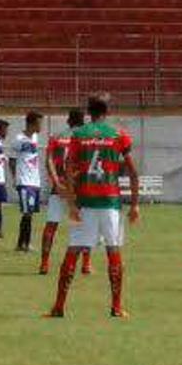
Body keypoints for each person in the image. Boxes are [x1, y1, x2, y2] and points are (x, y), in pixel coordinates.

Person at [50, 93, 140, 319]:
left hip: (85, 203)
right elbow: (133, 172)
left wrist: (71, 202)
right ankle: (116, 307)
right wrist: (135, 205)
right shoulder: (119, 134)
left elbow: (69, 171)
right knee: (113, 250)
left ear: (89, 112)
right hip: (110, 203)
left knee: (73, 249)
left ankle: (59, 306)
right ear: (107, 112)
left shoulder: (79, 135)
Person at [39, 108, 90, 276]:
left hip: (59, 187)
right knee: (83, 225)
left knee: (51, 224)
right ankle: (85, 264)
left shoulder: (57, 136)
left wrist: (57, 182)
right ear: (83, 121)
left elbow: (49, 161)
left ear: (69, 120)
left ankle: (44, 264)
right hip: (79, 188)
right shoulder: (87, 138)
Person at [12, 111, 44, 253]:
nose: (41, 126)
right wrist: (15, 178)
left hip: (34, 181)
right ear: (31, 124)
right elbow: (12, 160)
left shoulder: (35, 138)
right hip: (24, 181)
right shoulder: (18, 140)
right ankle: (24, 244)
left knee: (29, 213)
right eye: (39, 123)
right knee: (27, 212)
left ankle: (22, 244)